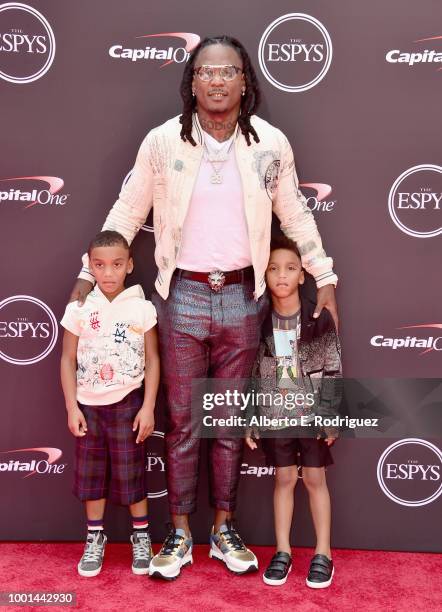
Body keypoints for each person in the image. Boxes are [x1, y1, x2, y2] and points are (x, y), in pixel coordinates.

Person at [69, 35, 338, 580]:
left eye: (228, 71)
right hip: (183, 295)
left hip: (245, 296)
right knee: (186, 422)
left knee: (228, 421)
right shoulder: (163, 142)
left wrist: (324, 274)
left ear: (245, 82)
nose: (217, 80)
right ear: (192, 82)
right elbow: (127, 209)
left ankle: (223, 529)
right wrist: (84, 273)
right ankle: (181, 533)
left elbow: (296, 215)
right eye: (206, 72)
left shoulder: (270, 144)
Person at [60, 230, 160, 577]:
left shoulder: (142, 307)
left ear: (129, 265)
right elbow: (67, 358)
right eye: (100, 265)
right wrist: (72, 407)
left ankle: (142, 536)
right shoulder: (80, 308)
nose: (108, 272)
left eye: (117, 264)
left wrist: (147, 407)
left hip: (127, 403)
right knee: (92, 477)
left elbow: (153, 360)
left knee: (132, 475)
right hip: (88, 406)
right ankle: (94, 538)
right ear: (90, 267)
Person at [246, 235, 342, 588]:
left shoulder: (318, 318)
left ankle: (323, 553)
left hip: (312, 414)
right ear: (265, 275)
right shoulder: (258, 323)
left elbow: (333, 367)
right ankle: (282, 551)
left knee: (315, 480)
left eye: (290, 269)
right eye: (274, 269)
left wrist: (330, 414)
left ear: (303, 275)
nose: (282, 275)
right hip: (276, 415)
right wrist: (251, 416)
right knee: (284, 479)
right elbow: (253, 375)